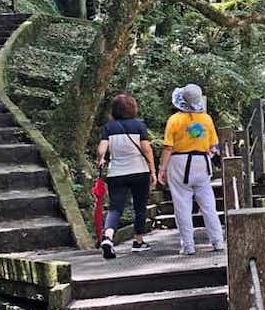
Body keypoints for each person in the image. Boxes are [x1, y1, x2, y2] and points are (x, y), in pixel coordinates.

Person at [158, 84, 225, 256]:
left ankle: (188, 245)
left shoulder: (174, 120)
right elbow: (213, 146)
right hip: (202, 162)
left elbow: (167, 147)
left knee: (182, 205)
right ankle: (217, 241)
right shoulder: (206, 119)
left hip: (179, 162)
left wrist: (161, 169)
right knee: (208, 204)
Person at [96, 93, 156, 259]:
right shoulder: (139, 126)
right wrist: (153, 170)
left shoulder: (109, 127)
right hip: (139, 171)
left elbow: (102, 149)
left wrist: (101, 159)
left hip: (117, 173)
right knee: (140, 207)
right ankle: (138, 241)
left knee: (115, 208)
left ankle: (108, 237)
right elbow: (147, 149)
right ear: (133, 108)